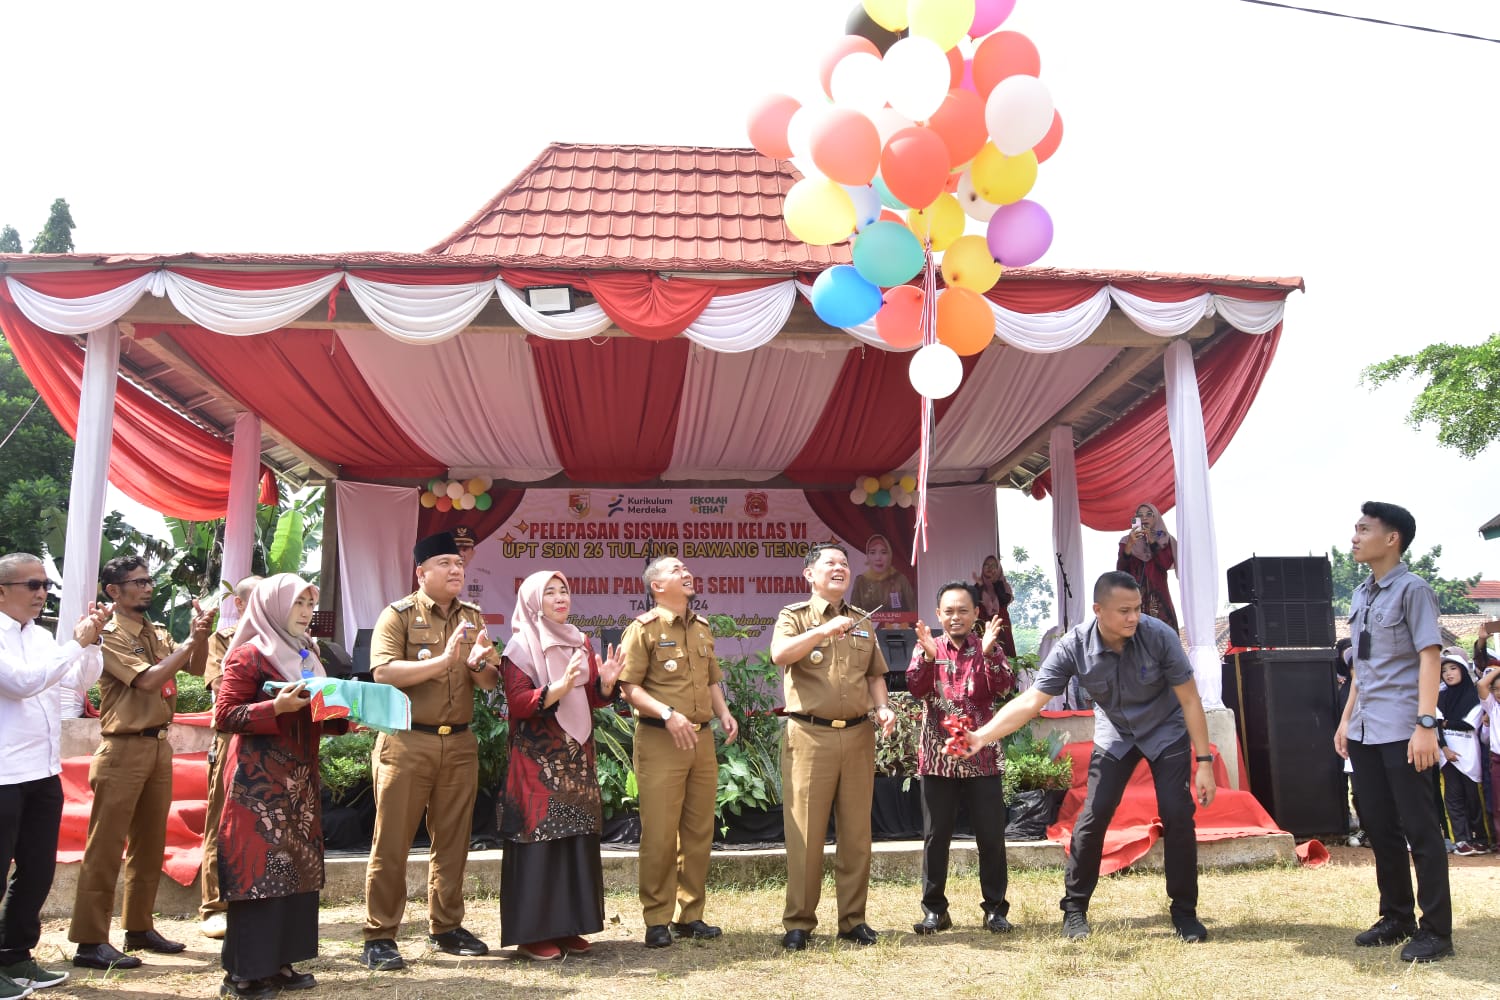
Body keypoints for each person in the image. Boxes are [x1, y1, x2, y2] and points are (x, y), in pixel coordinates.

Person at [963, 570, 1215, 943]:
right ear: (1098, 610)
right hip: (1115, 732)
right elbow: (1033, 700)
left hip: (1165, 730)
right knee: (1094, 817)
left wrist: (1205, 763)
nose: (1133, 617)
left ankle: (1184, 913)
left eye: (1137, 609)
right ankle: (1075, 909)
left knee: (1178, 815)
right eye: (1124, 610)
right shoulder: (1073, 645)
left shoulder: (1159, 636)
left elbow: (1190, 699)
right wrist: (982, 735)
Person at [360, 532, 499, 971]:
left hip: (459, 742)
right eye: (445, 563)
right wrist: (443, 661)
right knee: (392, 842)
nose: (456, 570)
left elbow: (489, 681)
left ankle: (446, 926)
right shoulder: (397, 615)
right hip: (407, 741)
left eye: (459, 564)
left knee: (454, 840)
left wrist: (479, 664)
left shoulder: (473, 616)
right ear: (421, 572)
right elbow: (382, 671)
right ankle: (380, 934)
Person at [69, 556, 213, 970]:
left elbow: (197, 668)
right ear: (113, 591)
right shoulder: (108, 635)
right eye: (139, 582)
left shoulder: (157, 631)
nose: (148, 587)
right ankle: (90, 939)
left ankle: (139, 926)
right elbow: (149, 679)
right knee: (106, 847)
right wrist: (186, 646)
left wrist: (197, 636)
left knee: (151, 844)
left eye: (150, 580)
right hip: (123, 748)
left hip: (157, 746)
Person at [214, 575, 344, 1000]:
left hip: (299, 780)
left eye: (310, 603)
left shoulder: (308, 654)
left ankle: (281, 961)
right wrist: (277, 706)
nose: (306, 612)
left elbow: (322, 713)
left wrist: (346, 713)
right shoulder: (250, 654)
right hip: (257, 781)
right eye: (298, 604)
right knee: (259, 870)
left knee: (297, 868)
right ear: (273, 606)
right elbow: (226, 714)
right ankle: (245, 973)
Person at [1334, 501, 1452, 963]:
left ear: (1392, 539)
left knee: (1421, 830)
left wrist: (1426, 725)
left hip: (1405, 728)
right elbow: (1362, 666)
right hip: (1366, 728)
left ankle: (1436, 931)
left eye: (1364, 529)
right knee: (1380, 828)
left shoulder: (1414, 590)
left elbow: (1430, 656)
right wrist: (1347, 719)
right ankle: (1396, 916)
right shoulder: (1362, 594)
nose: (1355, 537)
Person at [771, 542, 896, 951]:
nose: (840, 568)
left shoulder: (862, 621)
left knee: (857, 831)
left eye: (845, 562)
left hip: (858, 735)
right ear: (809, 574)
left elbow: (876, 673)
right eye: (830, 563)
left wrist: (883, 708)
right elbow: (780, 654)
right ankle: (799, 922)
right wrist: (822, 630)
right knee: (805, 831)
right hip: (810, 734)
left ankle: (853, 920)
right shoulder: (794, 616)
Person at [498, 571, 623, 960]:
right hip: (537, 763)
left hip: (576, 757)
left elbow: (589, 699)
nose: (559, 597)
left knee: (574, 838)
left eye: (564, 590)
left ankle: (569, 926)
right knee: (540, 841)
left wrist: (605, 684)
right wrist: (558, 688)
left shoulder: (579, 640)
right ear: (534, 601)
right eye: (549, 592)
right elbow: (518, 703)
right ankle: (533, 934)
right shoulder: (520, 646)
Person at [0, 553, 109, 997]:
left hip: (42, 771)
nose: (42, 593)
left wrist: (93, 641)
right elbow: (23, 683)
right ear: (2, 589)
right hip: (4, 773)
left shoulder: (43, 637)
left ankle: (17, 956)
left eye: (45, 585)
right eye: (31, 585)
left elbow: (81, 680)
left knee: (38, 869)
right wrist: (76, 644)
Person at [618, 557, 737, 948]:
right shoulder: (643, 630)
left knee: (699, 830)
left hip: (701, 739)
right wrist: (668, 714)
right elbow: (629, 687)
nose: (684, 572)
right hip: (660, 739)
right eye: (674, 569)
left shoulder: (701, 627)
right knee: (660, 832)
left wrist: (724, 713)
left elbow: (712, 678)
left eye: (685, 567)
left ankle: (691, 914)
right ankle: (656, 918)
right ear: (656, 586)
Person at [906, 582, 1016, 935]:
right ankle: (935, 910)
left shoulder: (987, 647)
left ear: (975, 614)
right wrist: (924, 656)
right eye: (949, 611)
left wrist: (988, 654)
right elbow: (915, 688)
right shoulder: (928, 647)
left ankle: (995, 910)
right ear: (938, 614)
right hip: (939, 759)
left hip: (982, 756)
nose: (956, 617)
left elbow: (1003, 688)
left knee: (990, 837)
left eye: (963, 610)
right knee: (936, 837)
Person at [199, 575, 261, 941]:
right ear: (238, 604)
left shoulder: (288, 641)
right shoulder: (222, 641)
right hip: (233, 737)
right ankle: (213, 906)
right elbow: (226, 692)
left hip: (275, 742)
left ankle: (254, 902)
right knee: (221, 822)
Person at [1437, 648, 1487, 855]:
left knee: (1474, 798)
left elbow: (1469, 725)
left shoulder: (1475, 697)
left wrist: (1446, 722)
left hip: (1469, 755)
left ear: (1463, 671)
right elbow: (1434, 724)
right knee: (1453, 797)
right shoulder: (1439, 697)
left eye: (1453, 668)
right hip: (1446, 757)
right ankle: (1461, 840)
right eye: (1444, 670)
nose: (1448, 673)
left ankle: (1482, 838)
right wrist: (1445, 748)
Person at [1115, 502, 1178, 631]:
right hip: (1135, 599)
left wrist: (1152, 540)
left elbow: (1165, 563)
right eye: (1140, 515)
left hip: (1160, 598)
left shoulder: (1164, 539)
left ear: (1156, 518)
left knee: (1164, 638)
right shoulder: (1126, 541)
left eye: (1149, 514)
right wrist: (1130, 545)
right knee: (1138, 641)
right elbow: (1121, 571)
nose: (1144, 518)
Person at [850, 533, 916, 615]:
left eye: (884, 552)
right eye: (873, 552)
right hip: (866, 627)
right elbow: (853, 615)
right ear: (867, 556)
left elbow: (914, 612)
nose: (878, 558)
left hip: (899, 627)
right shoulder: (861, 581)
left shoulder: (900, 579)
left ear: (890, 555)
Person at [1477, 642, 1500, 855]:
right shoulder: (1492, 707)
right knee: (1498, 804)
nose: (1499, 693)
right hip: (1497, 760)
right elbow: (1482, 686)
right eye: (1496, 689)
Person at [972, 554, 1017, 658]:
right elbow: (972, 603)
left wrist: (994, 584)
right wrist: (981, 585)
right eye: (986, 565)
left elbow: (1004, 600)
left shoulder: (1003, 585)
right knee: (982, 656)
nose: (989, 568)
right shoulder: (977, 586)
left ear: (998, 569)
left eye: (993, 566)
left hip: (1001, 625)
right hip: (982, 625)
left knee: (1004, 654)